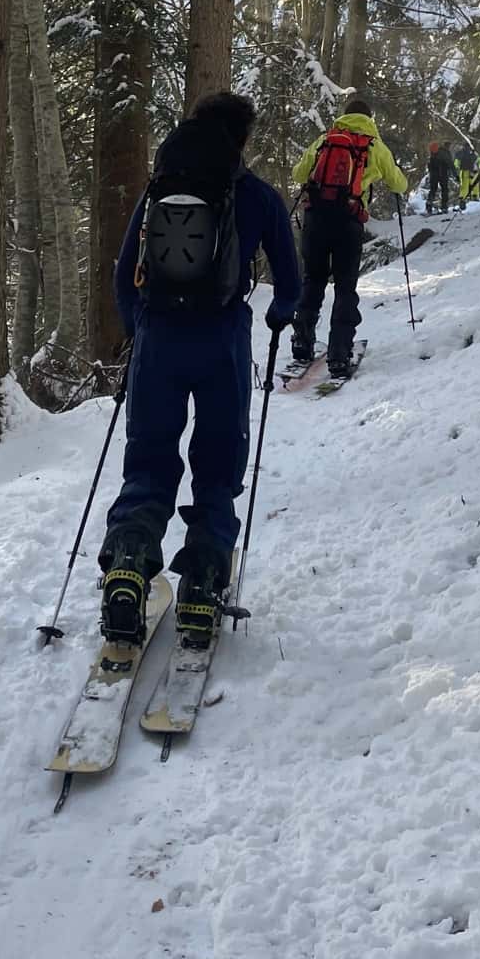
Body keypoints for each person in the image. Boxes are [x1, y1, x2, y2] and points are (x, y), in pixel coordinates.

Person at [98, 91, 300, 650]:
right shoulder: (257, 196)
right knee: (217, 464)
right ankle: (203, 584)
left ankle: (129, 564)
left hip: (159, 341)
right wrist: (280, 318)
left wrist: (143, 331)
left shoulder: (157, 192)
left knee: (149, 460)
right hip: (222, 346)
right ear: (242, 138)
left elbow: (123, 276)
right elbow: (290, 281)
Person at [290, 92, 408, 380]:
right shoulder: (374, 145)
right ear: (369, 119)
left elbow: (297, 173)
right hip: (348, 222)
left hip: (316, 218)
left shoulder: (326, 140)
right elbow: (399, 184)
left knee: (313, 279)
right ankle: (339, 355)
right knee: (345, 287)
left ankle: (302, 342)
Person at [426, 141, 454, 214]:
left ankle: (429, 205)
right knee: (444, 190)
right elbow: (450, 164)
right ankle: (444, 207)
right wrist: (455, 174)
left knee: (433, 190)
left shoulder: (436, 151)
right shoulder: (445, 152)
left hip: (434, 174)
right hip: (442, 174)